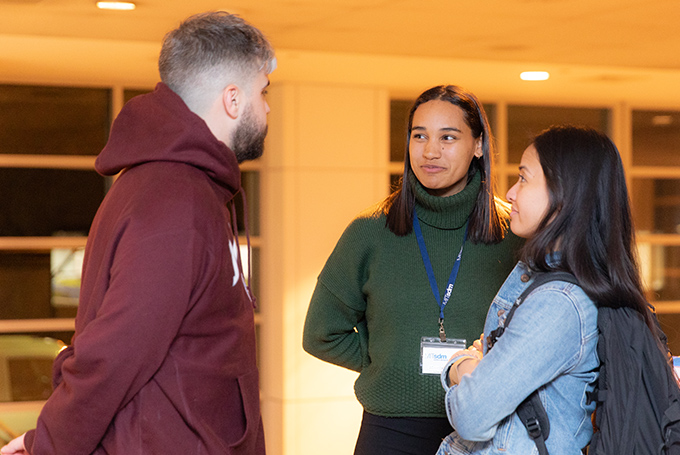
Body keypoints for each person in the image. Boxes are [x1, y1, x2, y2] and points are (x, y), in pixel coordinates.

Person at [1, 11, 275, 455]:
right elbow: (114, 353)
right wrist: (46, 447)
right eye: (263, 93)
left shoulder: (177, 188)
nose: (266, 108)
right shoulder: (177, 203)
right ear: (233, 100)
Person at [302, 85, 523, 455]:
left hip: (487, 431)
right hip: (391, 434)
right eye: (419, 136)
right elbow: (321, 334)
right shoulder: (370, 232)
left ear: (479, 145)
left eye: (448, 137)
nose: (430, 151)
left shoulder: (514, 235)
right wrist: (389, 361)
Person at [436, 125, 655, 454]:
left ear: (563, 194)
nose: (510, 193)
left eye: (523, 178)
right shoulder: (554, 282)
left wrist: (461, 365)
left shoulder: (559, 303)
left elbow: (471, 415)